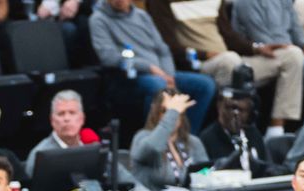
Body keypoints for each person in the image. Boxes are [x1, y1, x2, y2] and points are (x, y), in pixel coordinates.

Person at [146, 0, 304, 136]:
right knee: (230, 61)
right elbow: (168, 45)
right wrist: (206, 54)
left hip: (230, 59)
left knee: (292, 55)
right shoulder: (160, 2)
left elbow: (229, 35)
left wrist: (256, 48)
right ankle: (239, 131)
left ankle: (275, 131)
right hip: (198, 64)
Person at [91, 0, 216, 130]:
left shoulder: (142, 15)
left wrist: (169, 75)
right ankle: (153, 140)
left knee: (205, 85)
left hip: (161, 73)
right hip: (130, 77)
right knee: (157, 86)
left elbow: (163, 50)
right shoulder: (99, 19)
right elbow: (108, 57)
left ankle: (186, 137)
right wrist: (149, 67)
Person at [230, 0, 304, 121]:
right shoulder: (245, 3)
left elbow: (296, 28)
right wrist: (290, 49)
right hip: (267, 55)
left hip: (293, 52)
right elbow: (260, 37)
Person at [131, 89, 211, 191]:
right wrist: (173, 112)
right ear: (155, 113)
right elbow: (153, 148)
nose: (172, 115)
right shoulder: (141, 137)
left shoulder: (193, 142)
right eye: (165, 111)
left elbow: (207, 176)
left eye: (178, 110)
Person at [25, 90, 102, 179]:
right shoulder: (40, 154)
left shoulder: (93, 146)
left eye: (72, 113)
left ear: (82, 119)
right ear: (52, 120)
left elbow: (119, 175)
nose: (67, 118)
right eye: (61, 114)